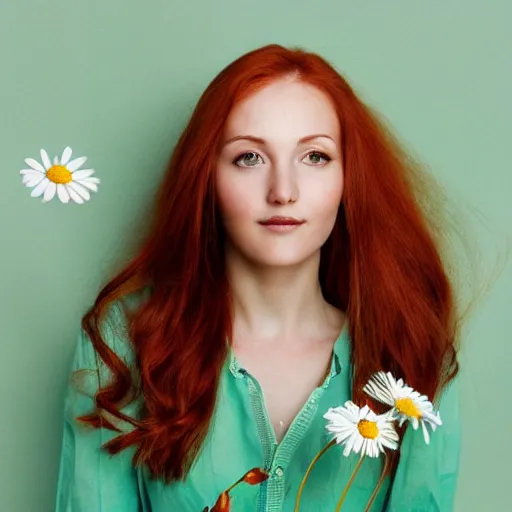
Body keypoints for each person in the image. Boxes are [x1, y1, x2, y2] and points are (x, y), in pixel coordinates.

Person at [54, 43, 465, 511]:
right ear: (206, 178)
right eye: (249, 157)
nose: (284, 192)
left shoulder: (414, 357)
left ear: (349, 181)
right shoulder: (121, 343)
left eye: (315, 156)